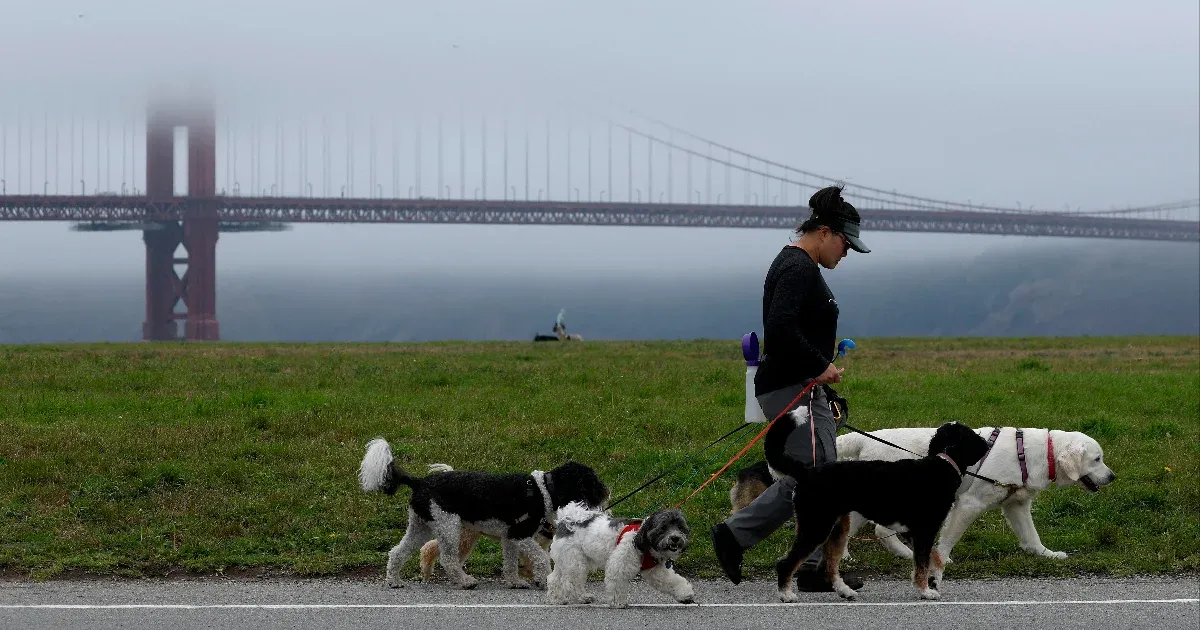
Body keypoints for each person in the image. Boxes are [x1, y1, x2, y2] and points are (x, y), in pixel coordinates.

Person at [710, 184, 871, 590]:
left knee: (813, 478)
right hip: (793, 387)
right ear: (824, 232)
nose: (847, 252)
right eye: (845, 242)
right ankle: (741, 537)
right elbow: (780, 328)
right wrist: (821, 367)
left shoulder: (797, 265)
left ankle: (814, 564)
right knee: (815, 479)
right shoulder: (798, 268)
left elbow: (793, 329)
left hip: (794, 384)